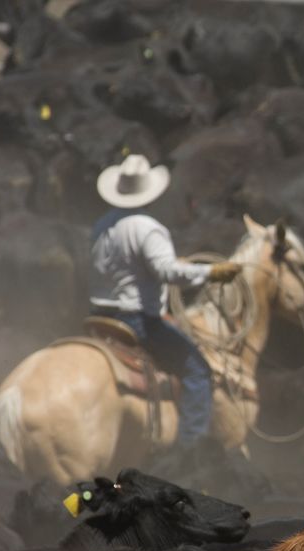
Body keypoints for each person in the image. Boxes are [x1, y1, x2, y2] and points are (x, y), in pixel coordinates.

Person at [89, 154, 242, 447]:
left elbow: (128, 267)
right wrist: (212, 272)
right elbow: (167, 271)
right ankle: (191, 449)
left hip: (100, 315)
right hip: (137, 320)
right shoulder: (147, 227)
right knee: (198, 371)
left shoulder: (102, 224)